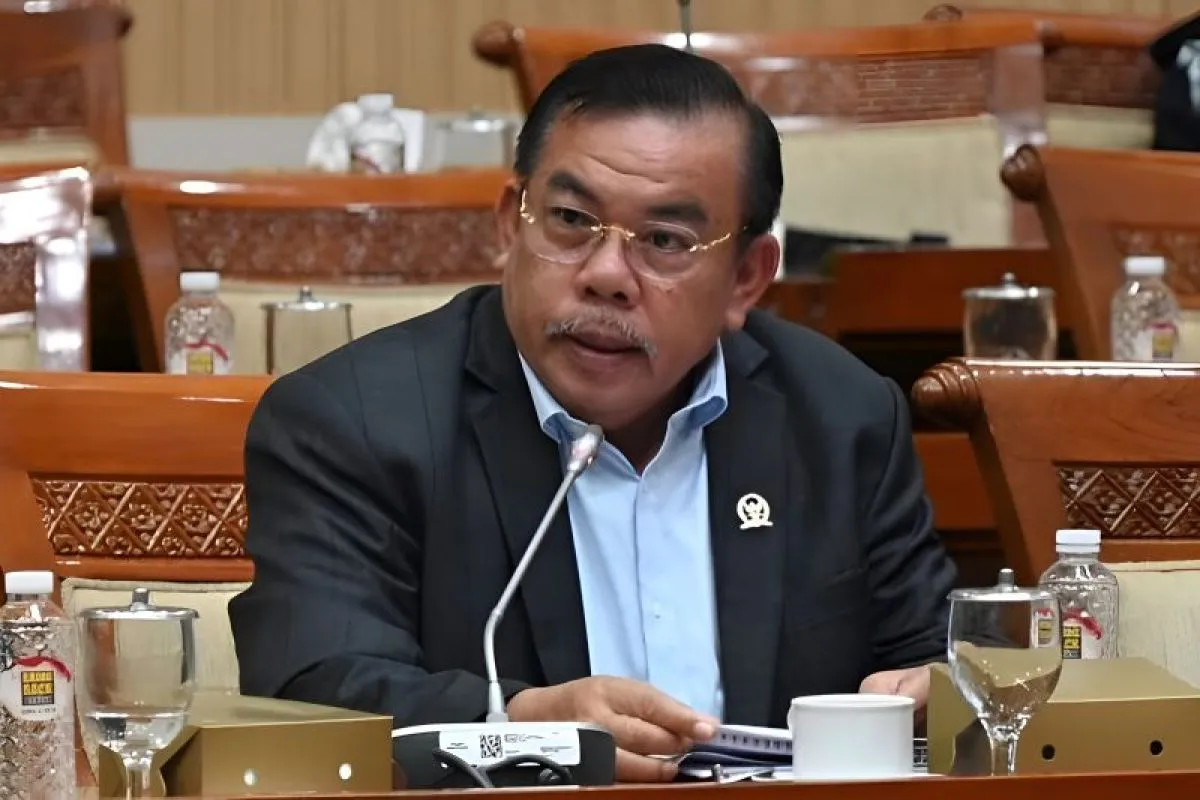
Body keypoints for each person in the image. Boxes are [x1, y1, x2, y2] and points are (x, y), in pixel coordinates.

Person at [229, 43, 956, 783]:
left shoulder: (839, 415)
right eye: (572, 220)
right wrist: (516, 728)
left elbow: (934, 658)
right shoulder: (353, 422)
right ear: (510, 227)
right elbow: (313, 692)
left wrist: (937, 690)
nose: (607, 275)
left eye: (666, 241)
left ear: (746, 278)